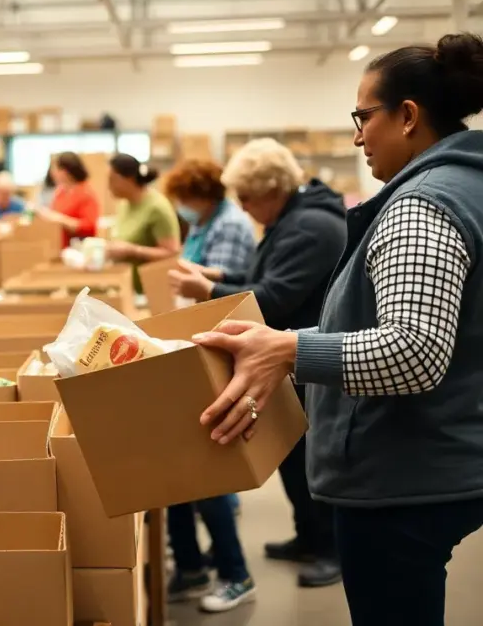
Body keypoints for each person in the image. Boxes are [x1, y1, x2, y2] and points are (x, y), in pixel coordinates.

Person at [190, 33, 483, 626]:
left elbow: (416, 349)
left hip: (404, 475)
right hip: (446, 454)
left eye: (363, 116)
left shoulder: (421, 205)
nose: (356, 135)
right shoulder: (467, 186)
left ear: (407, 116)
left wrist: (288, 348)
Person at [168, 138, 347, 591]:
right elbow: (266, 277)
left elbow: (276, 296)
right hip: (290, 357)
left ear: (272, 189)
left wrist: (208, 292)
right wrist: (220, 278)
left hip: (306, 356)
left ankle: (330, 549)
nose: (243, 208)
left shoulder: (310, 227)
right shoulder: (293, 220)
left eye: (248, 197)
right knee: (292, 457)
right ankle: (308, 536)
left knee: (310, 462)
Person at [159, 157, 258, 612]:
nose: (182, 208)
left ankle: (235, 574)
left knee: (204, 467)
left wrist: (198, 280)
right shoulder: (206, 222)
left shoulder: (232, 225)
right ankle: (193, 565)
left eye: (185, 199)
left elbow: (235, 294)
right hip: (190, 346)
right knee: (176, 467)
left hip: (215, 351)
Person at [164, 158, 257, 278]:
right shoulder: (202, 220)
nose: (180, 206)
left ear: (206, 196)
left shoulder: (230, 224)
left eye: (184, 200)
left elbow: (220, 280)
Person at [103, 154, 181, 293]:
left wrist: (132, 250)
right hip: (128, 288)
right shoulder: (124, 204)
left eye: (112, 180)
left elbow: (172, 253)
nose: (108, 185)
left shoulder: (157, 208)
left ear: (128, 179)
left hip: (150, 292)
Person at [35, 152, 100, 248]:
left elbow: (89, 227)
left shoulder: (86, 193)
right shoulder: (60, 192)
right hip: (59, 246)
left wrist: (60, 219)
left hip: (78, 248)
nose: (53, 173)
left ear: (66, 171)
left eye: (56, 169)